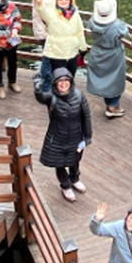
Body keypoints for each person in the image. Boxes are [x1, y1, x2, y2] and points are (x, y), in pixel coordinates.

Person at [35, 68, 92, 202]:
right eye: (60, 81)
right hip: (56, 136)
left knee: (74, 160)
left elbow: (86, 116)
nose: (63, 83)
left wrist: (87, 136)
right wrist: (37, 89)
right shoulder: (51, 97)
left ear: (71, 82)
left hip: (75, 135)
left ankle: (75, 179)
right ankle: (65, 185)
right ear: (55, 83)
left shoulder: (79, 95)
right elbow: (42, 98)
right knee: (59, 163)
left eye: (66, 80)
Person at [32, 0, 88, 83]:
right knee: (57, 78)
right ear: (56, 0)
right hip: (56, 53)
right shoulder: (51, 14)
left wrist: (83, 48)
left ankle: (68, 96)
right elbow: (42, 12)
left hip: (72, 52)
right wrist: (39, 3)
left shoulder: (75, 14)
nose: (63, 0)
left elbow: (80, 32)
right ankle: (56, 96)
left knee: (70, 77)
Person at [86, 0, 129, 118]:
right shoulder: (117, 25)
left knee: (105, 79)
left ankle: (110, 104)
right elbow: (124, 32)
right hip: (113, 54)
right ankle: (112, 107)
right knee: (115, 80)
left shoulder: (92, 21)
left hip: (97, 52)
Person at [28, 0, 56, 91]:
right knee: (48, 57)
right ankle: (45, 82)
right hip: (46, 31)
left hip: (40, 29)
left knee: (47, 55)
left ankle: (44, 77)